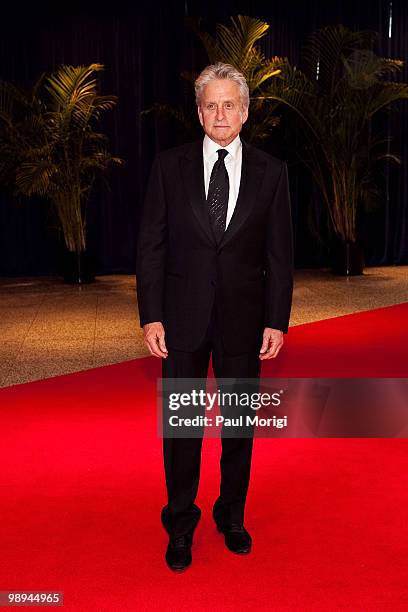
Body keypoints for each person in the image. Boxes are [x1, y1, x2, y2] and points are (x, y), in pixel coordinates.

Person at [136, 62, 293, 571]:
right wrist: (151, 314)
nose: (220, 113)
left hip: (245, 321)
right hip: (180, 318)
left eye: (230, 104)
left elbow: (279, 256)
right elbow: (151, 248)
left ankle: (232, 515)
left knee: (239, 427)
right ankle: (180, 522)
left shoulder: (273, 172)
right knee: (181, 426)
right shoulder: (168, 166)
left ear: (245, 112)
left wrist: (277, 320)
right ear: (198, 111)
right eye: (211, 104)